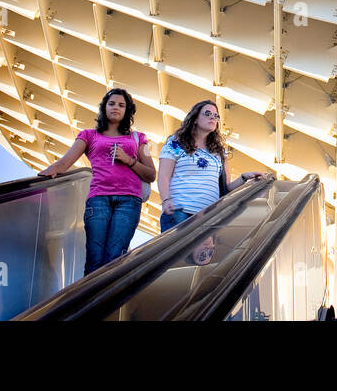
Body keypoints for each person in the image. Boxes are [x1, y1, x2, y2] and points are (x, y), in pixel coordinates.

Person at [39, 87, 156, 274]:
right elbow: (64, 163)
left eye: (121, 105)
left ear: (127, 111)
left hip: (129, 201)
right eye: (111, 104)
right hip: (99, 199)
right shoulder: (89, 135)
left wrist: (128, 160)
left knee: (115, 258)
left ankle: (110, 302)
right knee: (94, 259)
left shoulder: (137, 138)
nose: (116, 107)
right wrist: (47, 174)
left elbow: (151, 174)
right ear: (104, 108)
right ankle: (89, 302)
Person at [158, 99, 267, 231]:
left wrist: (244, 177)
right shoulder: (175, 143)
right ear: (195, 119)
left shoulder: (219, 152)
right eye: (207, 113)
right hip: (179, 212)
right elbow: (164, 176)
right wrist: (165, 200)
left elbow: (227, 187)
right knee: (177, 251)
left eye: (216, 116)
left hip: (208, 218)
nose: (212, 118)